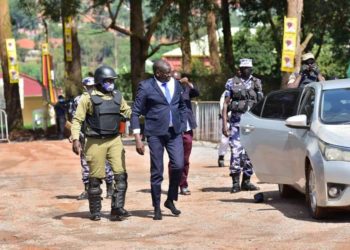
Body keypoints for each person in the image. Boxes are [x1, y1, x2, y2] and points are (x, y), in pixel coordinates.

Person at [71, 65, 132, 221]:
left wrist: (145, 114)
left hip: (114, 140)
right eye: (107, 80)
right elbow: (77, 120)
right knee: (95, 178)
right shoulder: (88, 98)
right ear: (99, 81)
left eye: (112, 80)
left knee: (121, 175)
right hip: (95, 141)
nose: (110, 83)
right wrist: (76, 139)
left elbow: (128, 112)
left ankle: (117, 208)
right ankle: (96, 211)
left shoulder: (118, 96)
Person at [131, 59, 187, 220]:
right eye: (167, 73)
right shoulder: (146, 86)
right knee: (157, 171)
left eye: (170, 72)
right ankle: (156, 206)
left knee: (178, 165)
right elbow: (135, 113)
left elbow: (181, 106)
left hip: (174, 133)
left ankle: (170, 199)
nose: (170, 75)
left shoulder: (175, 84)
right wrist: (137, 138)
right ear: (158, 74)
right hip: (155, 134)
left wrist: (182, 125)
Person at [222, 58, 263, 193]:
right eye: (244, 68)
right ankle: (235, 183)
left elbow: (261, 104)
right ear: (240, 68)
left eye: (249, 68)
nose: (246, 70)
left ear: (251, 69)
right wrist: (224, 125)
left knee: (250, 153)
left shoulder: (257, 82)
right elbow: (226, 104)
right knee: (236, 152)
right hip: (236, 123)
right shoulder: (231, 82)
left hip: (252, 124)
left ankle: (246, 181)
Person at [70, 76, 114, 200]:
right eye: (89, 87)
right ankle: (87, 190)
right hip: (85, 136)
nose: (91, 89)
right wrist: (75, 137)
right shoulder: (78, 100)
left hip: (101, 135)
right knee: (85, 163)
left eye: (93, 86)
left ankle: (110, 188)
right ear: (84, 87)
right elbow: (76, 120)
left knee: (105, 161)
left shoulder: (102, 98)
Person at [171, 71, 199, 195]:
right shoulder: (170, 90)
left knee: (185, 160)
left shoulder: (186, 88)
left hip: (187, 129)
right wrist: (177, 83)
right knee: (174, 160)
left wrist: (189, 83)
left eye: (179, 78)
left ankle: (183, 185)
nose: (179, 81)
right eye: (175, 79)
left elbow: (197, 92)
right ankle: (173, 185)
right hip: (175, 130)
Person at [217, 91, 230, 168]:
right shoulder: (226, 92)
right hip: (227, 119)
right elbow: (222, 105)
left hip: (238, 119)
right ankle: (221, 156)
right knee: (224, 140)